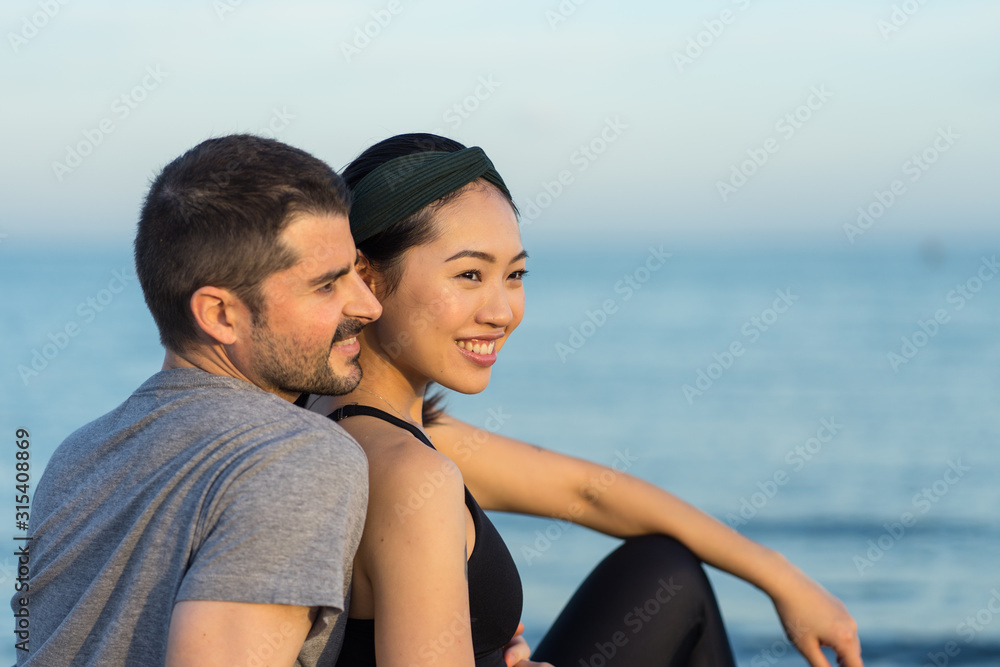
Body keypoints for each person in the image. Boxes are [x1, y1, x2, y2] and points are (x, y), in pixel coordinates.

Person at [305, 133, 864, 667]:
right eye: (470, 274)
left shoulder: (342, 426)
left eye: (515, 274)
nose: (502, 311)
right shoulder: (411, 477)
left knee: (664, 570)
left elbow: (589, 492)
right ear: (365, 277)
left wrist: (780, 578)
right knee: (672, 581)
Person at [15, 135, 382, 666]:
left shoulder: (77, 455)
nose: (367, 305)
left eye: (356, 270)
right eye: (327, 285)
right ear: (220, 315)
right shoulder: (299, 457)